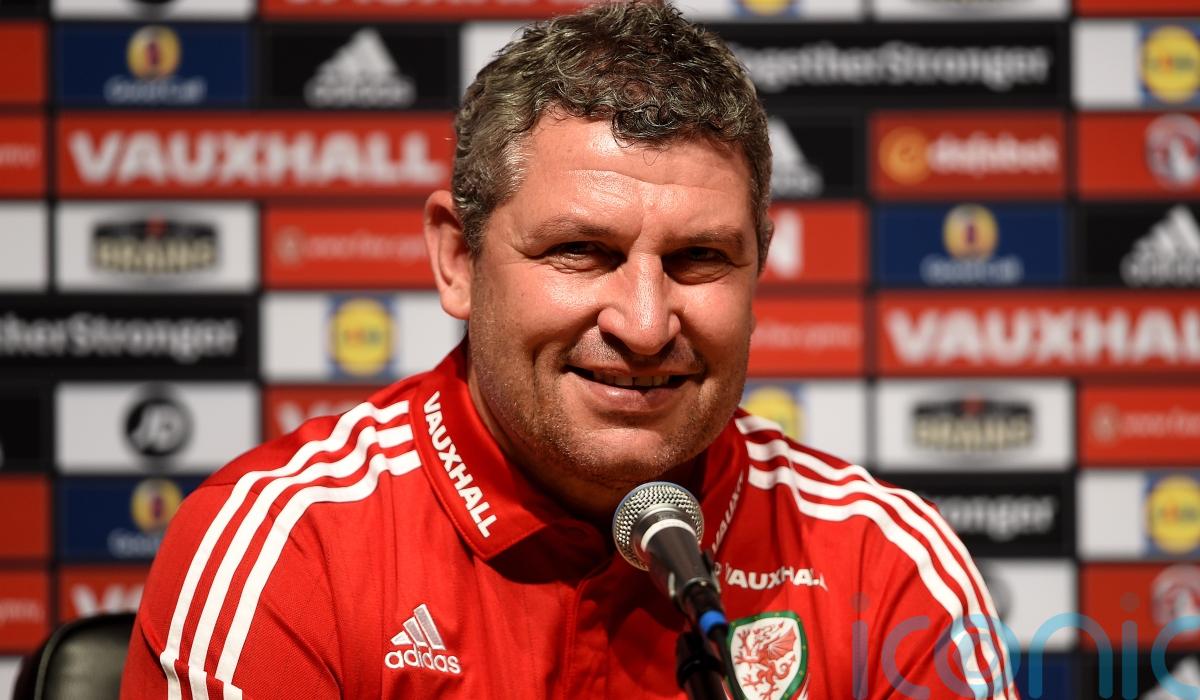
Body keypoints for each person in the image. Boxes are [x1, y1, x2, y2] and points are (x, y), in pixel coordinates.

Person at [121, 2, 1017, 698]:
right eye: (581, 251)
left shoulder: (883, 566)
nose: (645, 322)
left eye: (700, 259)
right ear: (459, 259)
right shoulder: (290, 550)